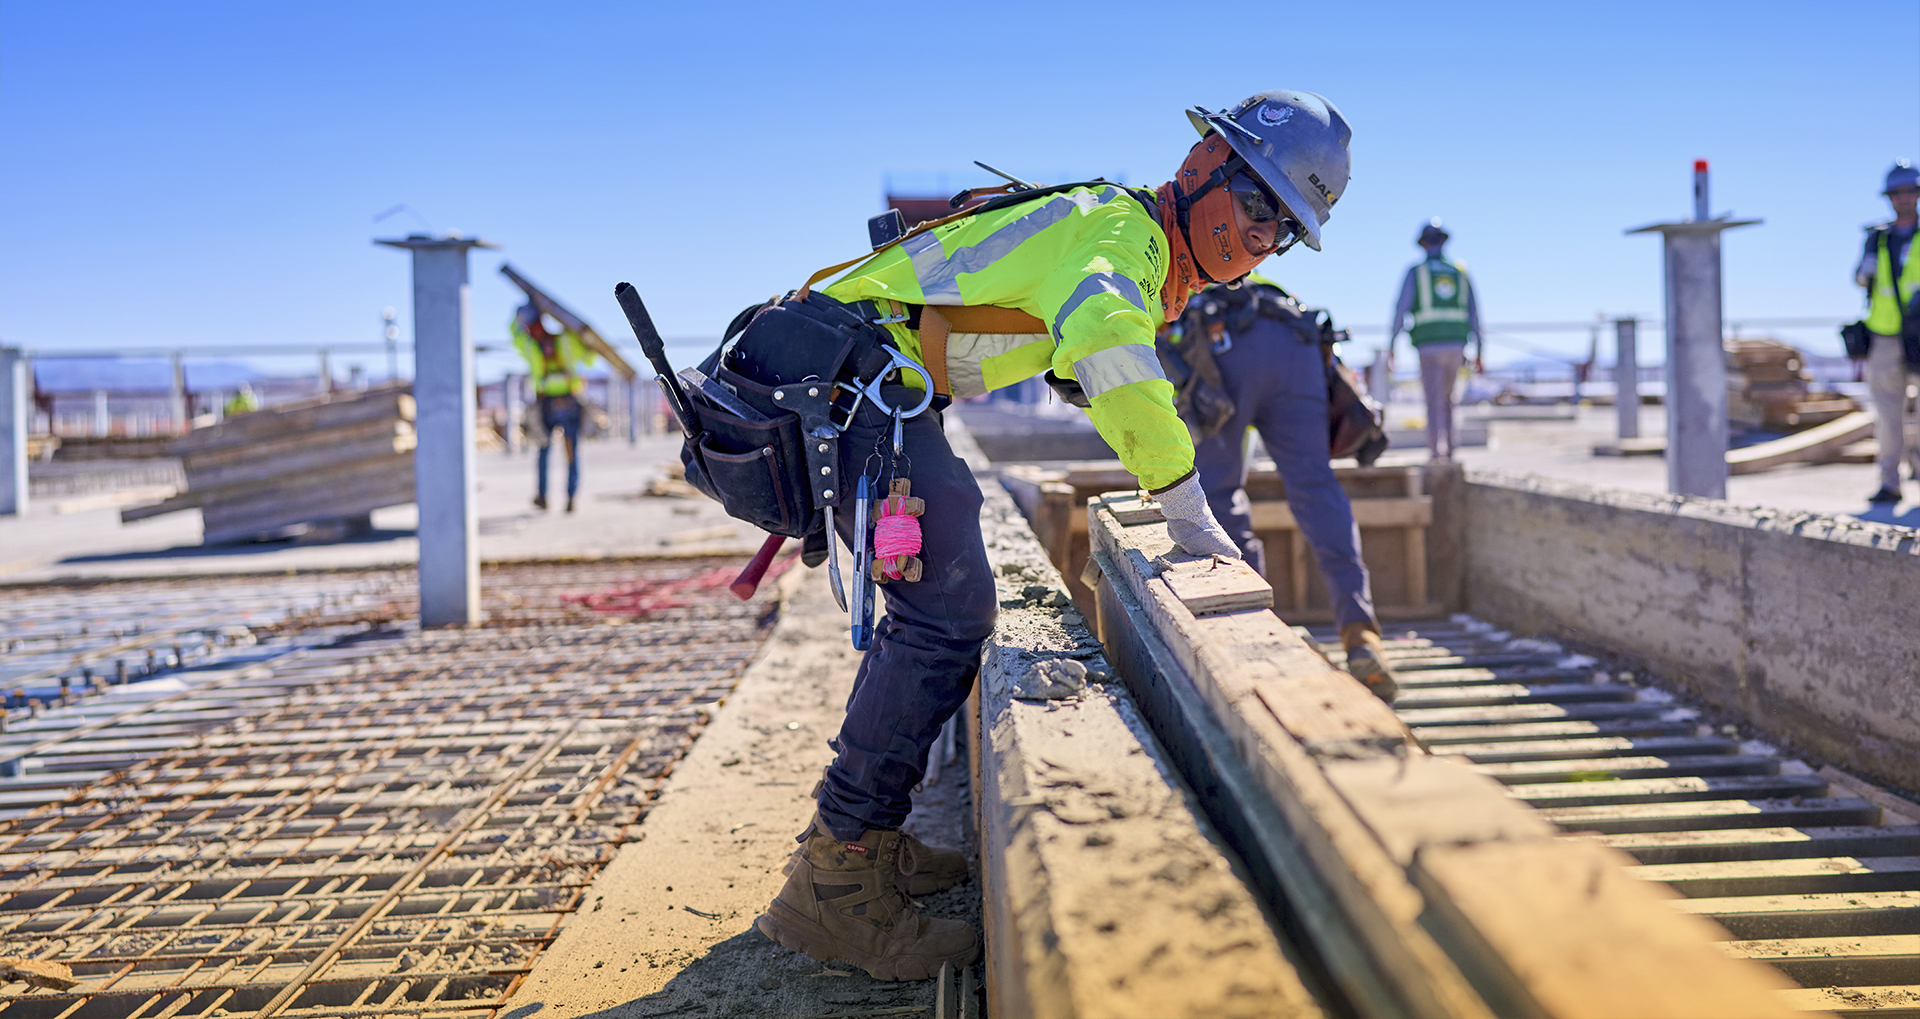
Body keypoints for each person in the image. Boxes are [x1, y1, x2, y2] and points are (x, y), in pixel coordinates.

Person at [720, 91, 1354, 981]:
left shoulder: (1116, 235)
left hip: (852, 371)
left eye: (1281, 233)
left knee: (932, 607)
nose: (1258, 242)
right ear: (1201, 168)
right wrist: (1187, 508)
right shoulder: (1123, 239)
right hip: (846, 370)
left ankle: (861, 836)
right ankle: (836, 878)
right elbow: (1107, 344)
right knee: (948, 611)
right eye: (1257, 206)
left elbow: (1079, 351)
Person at [1176, 278, 1399, 702]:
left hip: (1227, 347)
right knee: (1316, 486)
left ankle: (1253, 623)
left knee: (1219, 493)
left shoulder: (1198, 274)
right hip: (1296, 346)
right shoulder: (1268, 280)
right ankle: (1361, 635)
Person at [1387, 219, 1483, 461]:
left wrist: (1391, 345)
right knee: (1449, 400)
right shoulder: (1460, 271)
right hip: (1457, 345)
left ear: (1423, 244)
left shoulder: (1416, 272)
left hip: (1428, 345)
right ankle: (1451, 451)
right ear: (1443, 242)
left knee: (1433, 401)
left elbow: (1401, 309)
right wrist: (1481, 349)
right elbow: (1474, 313)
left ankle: (1435, 453)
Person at [1854, 160, 1919, 505]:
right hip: (1885, 336)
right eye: (1898, 193)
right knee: (1888, 414)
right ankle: (1890, 482)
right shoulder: (1876, 239)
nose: (1904, 199)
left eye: (1910, 192)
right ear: (1890, 198)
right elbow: (1861, 280)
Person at [511, 303, 597, 512]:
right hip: (545, 402)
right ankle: (542, 496)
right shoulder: (531, 346)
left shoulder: (566, 340)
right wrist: (520, 314)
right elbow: (514, 334)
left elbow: (590, 354)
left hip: (569, 399)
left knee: (570, 452)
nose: (531, 330)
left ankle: (571, 497)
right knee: (542, 449)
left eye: (532, 325)